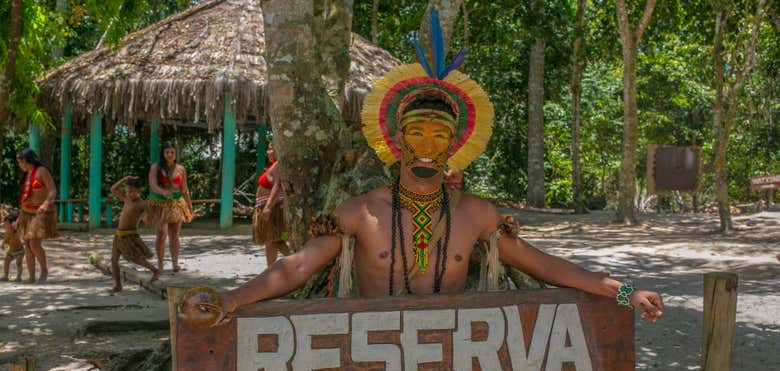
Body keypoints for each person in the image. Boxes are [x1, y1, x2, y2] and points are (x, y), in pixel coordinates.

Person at [179, 10, 664, 328]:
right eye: (417, 134)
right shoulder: (358, 213)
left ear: (455, 145)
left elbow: (547, 267)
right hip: (369, 352)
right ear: (397, 141)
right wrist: (232, 300)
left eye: (439, 137)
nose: (428, 147)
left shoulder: (477, 216)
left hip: (447, 358)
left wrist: (625, 292)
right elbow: (296, 268)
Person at [108, 176, 160, 293]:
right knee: (113, 260)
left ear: (138, 191)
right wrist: (126, 178)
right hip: (118, 235)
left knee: (135, 259)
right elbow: (113, 189)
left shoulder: (143, 204)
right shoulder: (126, 199)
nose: (128, 193)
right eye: (127, 191)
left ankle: (155, 270)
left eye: (131, 191)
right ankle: (118, 285)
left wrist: (148, 218)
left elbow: (151, 218)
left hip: (129, 235)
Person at [146, 142, 192, 273]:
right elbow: (153, 185)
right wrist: (163, 192)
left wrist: (190, 205)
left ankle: (175, 264)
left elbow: (184, 189)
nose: (170, 154)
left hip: (177, 204)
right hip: (159, 204)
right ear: (163, 153)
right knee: (161, 233)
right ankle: (160, 264)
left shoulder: (181, 169)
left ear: (175, 153)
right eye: (167, 152)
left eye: (172, 152)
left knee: (174, 234)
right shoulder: (155, 167)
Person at [16, 147, 58, 283]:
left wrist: (46, 204)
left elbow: (52, 191)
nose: (19, 165)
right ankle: (32, 276)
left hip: (40, 212)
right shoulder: (26, 174)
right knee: (27, 244)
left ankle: (44, 270)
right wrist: (19, 217)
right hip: (26, 212)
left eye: (20, 161)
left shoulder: (42, 171)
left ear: (26, 160)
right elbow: (25, 196)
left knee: (34, 244)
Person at [252, 142, 290, 266]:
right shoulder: (275, 165)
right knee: (270, 240)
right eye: (268, 149)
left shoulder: (279, 164)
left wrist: (268, 207)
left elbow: (278, 186)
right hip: (273, 209)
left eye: (270, 149)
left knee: (277, 239)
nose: (268, 152)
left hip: (275, 211)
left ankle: (298, 261)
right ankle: (270, 269)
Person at [2, 214, 24, 282]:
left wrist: (16, 224)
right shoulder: (7, 232)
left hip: (19, 251)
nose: (5, 225)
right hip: (11, 251)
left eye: (7, 224)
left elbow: (19, 224)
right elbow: (6, 239)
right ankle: (6, 276)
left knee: (19, 263)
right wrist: (2, 244)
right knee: (6, 262)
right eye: (4, 224)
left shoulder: (16, 231)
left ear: (13, 224)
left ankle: (19, 277)